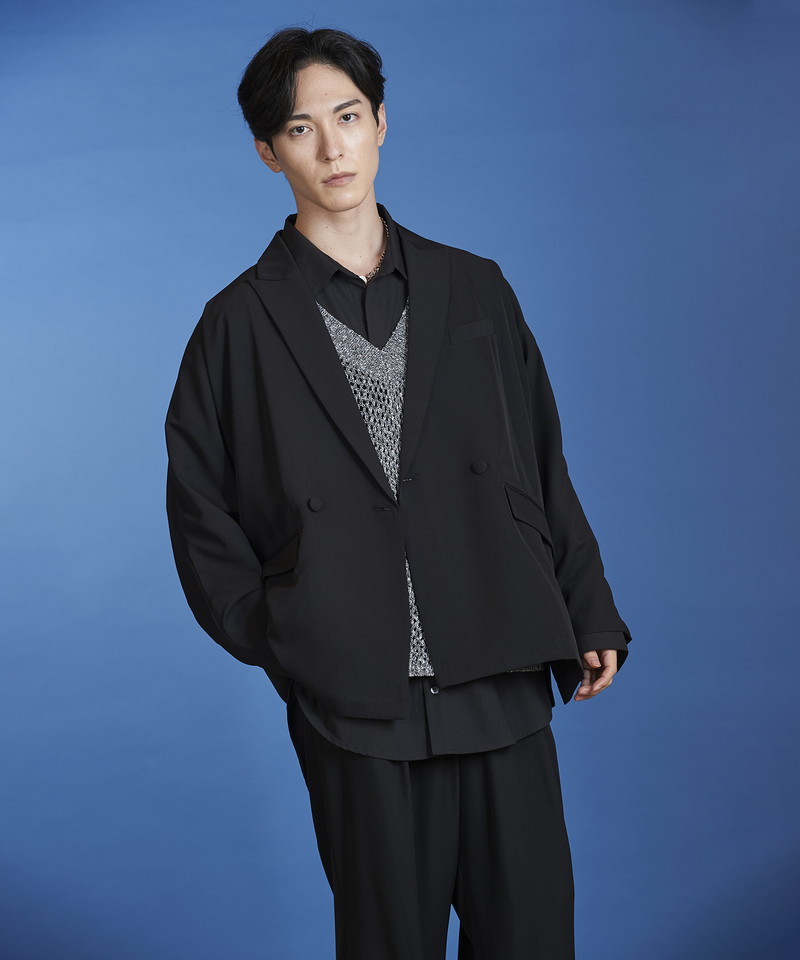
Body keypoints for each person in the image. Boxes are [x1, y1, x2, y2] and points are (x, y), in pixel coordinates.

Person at [164, 25, 632, 960]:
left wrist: (587, 606)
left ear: (382, 122)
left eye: (347, 118)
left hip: (498, 662)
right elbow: (200, 509)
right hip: (354, 697)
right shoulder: (235, 326)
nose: (332, 149)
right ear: (268, 152)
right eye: (301, 129)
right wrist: (287, 634)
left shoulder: (476, 289)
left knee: (533, 937)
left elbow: (541, 458)